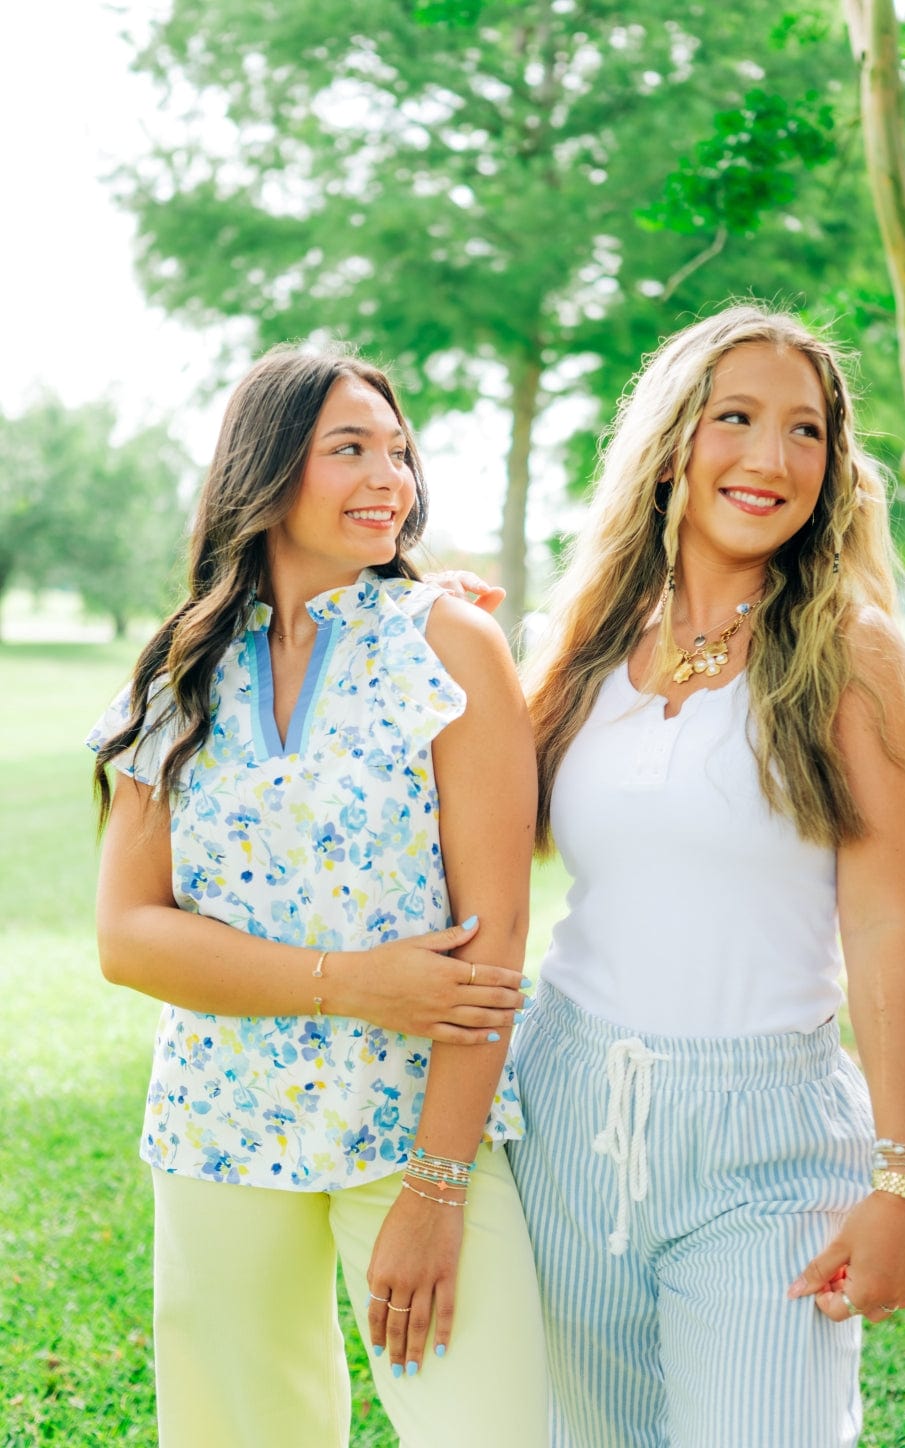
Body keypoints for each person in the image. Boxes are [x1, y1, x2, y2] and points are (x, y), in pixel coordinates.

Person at [88, 346, 549, 1447]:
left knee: (486, 1430)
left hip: (416, 1132)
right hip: (217, 1129)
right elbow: (127, 934)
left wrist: (437, 1190)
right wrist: (351, 983)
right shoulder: (179, 672)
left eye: (397, 450)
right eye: (349, 448)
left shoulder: (450, 645)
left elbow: (493, 951)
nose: (388, 475)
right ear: (265, 467)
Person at [506, 304, 905, 1448]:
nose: (770, 457)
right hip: (562, 1115)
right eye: (736, 417)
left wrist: (902, 1178)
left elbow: (888, 930)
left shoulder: (855, 657)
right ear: (670, 442)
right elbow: (482, 841)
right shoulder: (589, 639)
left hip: (771, 1142)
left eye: (805, 431)